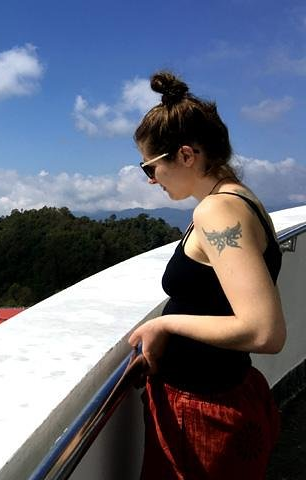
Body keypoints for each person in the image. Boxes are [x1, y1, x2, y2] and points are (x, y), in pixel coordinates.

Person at [127, 70, 285, 479]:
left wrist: (166, 324)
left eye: (149, 167)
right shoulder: (240, 199)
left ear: (185, 155)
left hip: (204, 415)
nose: (150, 180)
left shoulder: (217, 211)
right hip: (223, 398)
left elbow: (265, 332)